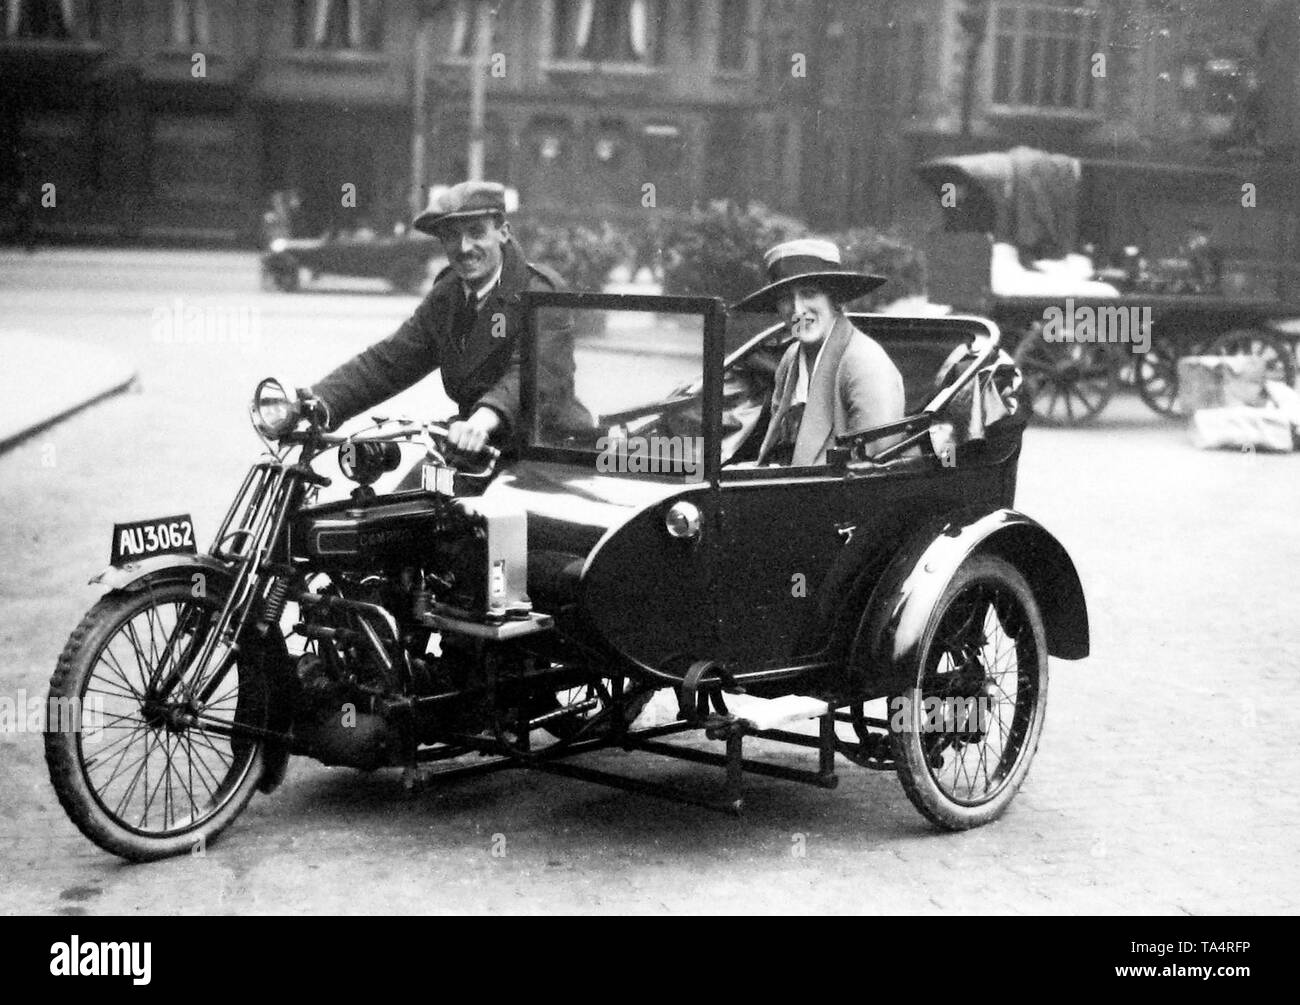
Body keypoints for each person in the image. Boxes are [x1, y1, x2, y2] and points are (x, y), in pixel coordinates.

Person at [307, 180, 583, 455]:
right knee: (405, 496)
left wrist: (485, 418)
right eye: (451, 236)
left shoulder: (540, 291)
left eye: (476, 232)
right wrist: (317, 402)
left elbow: (536, 374)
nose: (463, 247)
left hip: (547, 451)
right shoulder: (448, 293)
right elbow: (390, 361)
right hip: (474, 444)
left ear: (503, 232)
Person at [732, 238, 905, 466]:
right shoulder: (790, 358)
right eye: (785, 298)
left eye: (809, 293)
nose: (798, 309)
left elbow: (873, 473)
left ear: (835, 299)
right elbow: (779, 452)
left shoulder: (865, 364)